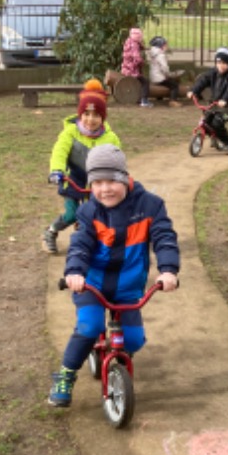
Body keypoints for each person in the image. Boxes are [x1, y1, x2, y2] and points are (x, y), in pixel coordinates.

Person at [48, 144, 180, 408]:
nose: (105, 189)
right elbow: (80, 246)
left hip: (128, 286)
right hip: (92, 284)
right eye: (97, 183)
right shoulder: (89, 212)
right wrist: (74, 272)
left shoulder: (151, 206)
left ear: (125, 178)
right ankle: (66, 375)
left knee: (133, 340)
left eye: (111, 181)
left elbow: (164, 238)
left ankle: (119, 353)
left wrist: (168, 270)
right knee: (89, 326)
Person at [42, 85, 121, 255]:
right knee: (72, 214)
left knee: (97, 213)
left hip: (97, 181)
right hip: (73, 178)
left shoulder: (110, 137)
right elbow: (60, 151)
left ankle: (91, 242)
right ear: (80, 115)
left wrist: (119, 176)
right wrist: (57, 170)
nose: (90, 119)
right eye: (86, 114)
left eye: (96, 115)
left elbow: (117, 158)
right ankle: (51, 231)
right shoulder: (70, 132)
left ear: (103, 118)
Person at [187, 47, 228, 154]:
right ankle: (214, 137)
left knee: (217, 123)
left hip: (227, 106)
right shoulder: (213, 73)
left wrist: (225, 99)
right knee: (205, 122)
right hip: (213, 104)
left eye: (224, 63)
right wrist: (193, 91)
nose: (221, 66)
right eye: (218, 63)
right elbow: (202, 81)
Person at [121, 27, 153, 107]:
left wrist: (142, 46)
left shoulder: (129, 41)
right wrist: (142, 62)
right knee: (145, 82)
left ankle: (139, 98)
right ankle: (144, 101)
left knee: (140, 82)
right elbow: (136, 57)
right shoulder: (134, 45)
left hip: (126, 68)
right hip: (132, 70)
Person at [148, 36, 182, 106]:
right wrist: (170, 75)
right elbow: (164, 68)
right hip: (159, 78)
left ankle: (159, 97)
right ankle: (173, 101)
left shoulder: (154, 54)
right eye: (165, 45)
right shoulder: (160, 55)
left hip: (154, 77)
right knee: (174, 85)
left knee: (167, 83)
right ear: (160, 46)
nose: (166, 46)